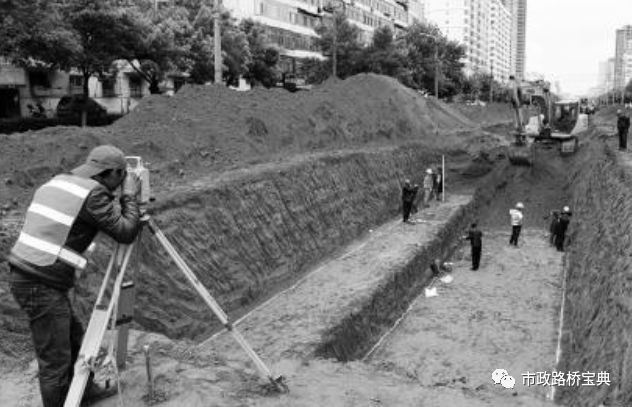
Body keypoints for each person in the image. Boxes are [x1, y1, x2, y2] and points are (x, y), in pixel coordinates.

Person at [8, 145, 142, 407]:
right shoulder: (93, 195)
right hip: (39, 281)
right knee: (55, 361)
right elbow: (126, 231)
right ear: (111, 173)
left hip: (34, 274)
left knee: (74, 338)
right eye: (121, 176)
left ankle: (84, 393)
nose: (121, 182)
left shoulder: (60, 182)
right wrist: (129, 197)